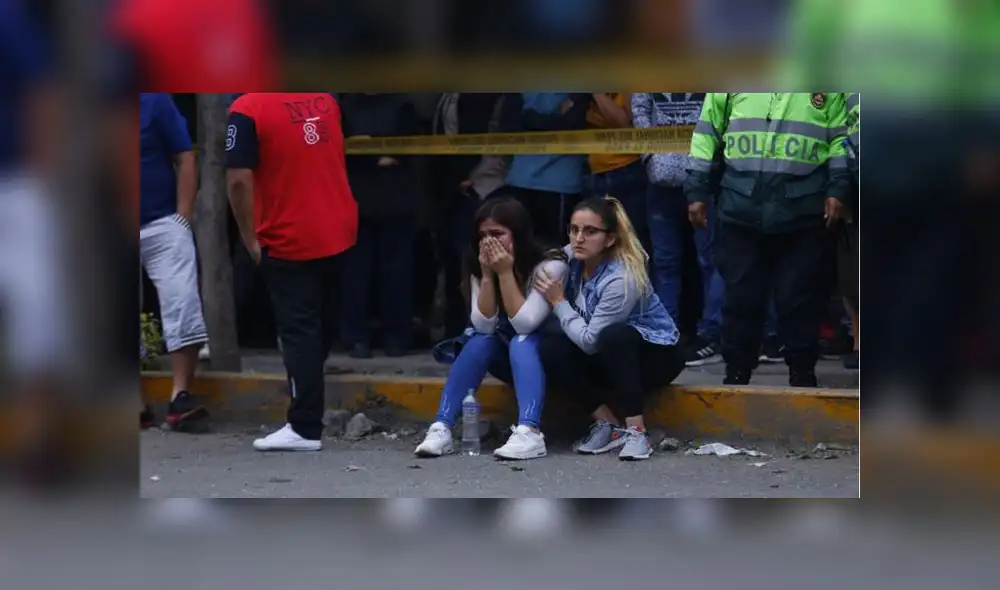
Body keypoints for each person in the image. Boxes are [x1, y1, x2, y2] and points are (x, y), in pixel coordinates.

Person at [684, 93, 849, 387]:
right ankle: (737, 372)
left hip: (802, 211)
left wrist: (838, 187)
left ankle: (802, 373)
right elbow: (707, 133)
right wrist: (696, 190)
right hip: (741, 208)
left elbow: (839, 139)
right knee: (741, 299)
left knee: (800, 299)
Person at [226, 92, 358, 452]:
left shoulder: (248, 108)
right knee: (320, 328)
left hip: (288, 234)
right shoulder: (326, 100)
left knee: (300, 333)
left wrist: (248, 237)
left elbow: (237, 179)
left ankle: (304, 425)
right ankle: (307, 410)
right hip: (338, 228)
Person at [414, 197, 568, 461]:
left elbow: (525, 323)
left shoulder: (550, 265)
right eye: (483, 236)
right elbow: (483, 325)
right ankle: (442, 426)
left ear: (517, 234)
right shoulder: (480, 264)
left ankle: (529, 431)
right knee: (479, 341)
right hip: (512, 358)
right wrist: (487, 276)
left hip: (555, 357)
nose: (489, 243)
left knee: (521, 340)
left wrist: (505, 273)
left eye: (497, 234)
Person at [534, 197, 685, 461]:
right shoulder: (574, 257)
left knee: (614, 336)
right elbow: (546, 259)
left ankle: (637, 432)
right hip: (609, 355)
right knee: (550, 346)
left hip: (656, 357)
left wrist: (559, 303)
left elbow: (591, 341)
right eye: (574, 229)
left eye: (590, 231)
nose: (579, 238)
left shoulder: (621, 277)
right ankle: (608, 425)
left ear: (610, 239)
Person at [632, 92, 724, 367]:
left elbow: (719, 112)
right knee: (664, 262)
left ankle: (712, 335)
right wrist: (650, 157)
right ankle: (665, 334)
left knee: (711, 260)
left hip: (704, 178)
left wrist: (707, 163)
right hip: (660, 183)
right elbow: (639, 109)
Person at [138, 93, 208, 428]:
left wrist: (183, 217)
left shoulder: (154, 100)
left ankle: (180, 395)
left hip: (161, 221)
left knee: (183, 301)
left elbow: (185, 155)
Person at [338, 93, 419, 358]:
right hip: (359, 202)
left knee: (395, 275)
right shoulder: (344, 106)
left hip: (393, 202)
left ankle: (394, 338)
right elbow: (339, 150)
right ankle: (359, 338)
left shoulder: (402, 104)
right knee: (356, 276)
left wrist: (366, 147)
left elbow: (409, 148)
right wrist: (378, 154)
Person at [429, 93, 509, 340]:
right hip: (457, 192)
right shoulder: (451, 94)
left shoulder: (481, 94)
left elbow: (475, 134)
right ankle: (458, 331)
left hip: (479, 188)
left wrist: (461, 178)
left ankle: (474, 331)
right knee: (457, 264)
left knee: (473, 264)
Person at [499, 92, 591, 247]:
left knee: (555, 253)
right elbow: (509, 124)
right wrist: (553, 119)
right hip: (522, 180)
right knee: (520, 250)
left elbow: (572, 124)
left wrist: (530, 119)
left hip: (558, 184)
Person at [586, 93, 651, 255]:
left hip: (626, 170)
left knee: (632, 242)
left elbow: (623, 120)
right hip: (596, 173)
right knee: (598, 243)